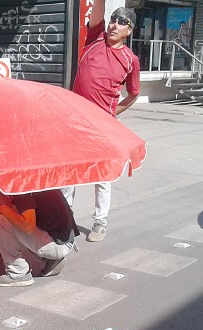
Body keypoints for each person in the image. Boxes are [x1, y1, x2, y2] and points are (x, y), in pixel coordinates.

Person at [64, 0, 140, 242]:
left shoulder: (131, 60)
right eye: (113, 19)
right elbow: (97, 13)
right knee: (69, 174)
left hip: (103, 126)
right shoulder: (94, 39)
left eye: (121, 22)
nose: (114, 25)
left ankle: (100, 222)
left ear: (130, 30)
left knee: (103, 177)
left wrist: (114, 113)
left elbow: (134, 93)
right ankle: (65, 219)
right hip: (76, 120)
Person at [0, 189, 79, 287]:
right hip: (64, 240)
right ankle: (51, 259)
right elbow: (11, 208)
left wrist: (3, 209)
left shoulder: (22, 189)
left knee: (2, 220)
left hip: (58, 245)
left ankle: (18, 273)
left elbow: (28, 227)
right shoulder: (32, 180)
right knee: (11, 213)